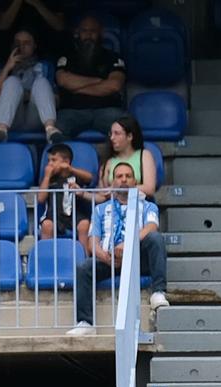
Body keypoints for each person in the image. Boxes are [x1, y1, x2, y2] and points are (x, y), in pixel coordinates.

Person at [71, 159, 169, 335]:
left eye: (128, 176)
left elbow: (151, 227)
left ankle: (158, 292)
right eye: (119, 176)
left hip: (137, 259)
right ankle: (85, 322)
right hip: (109, 260)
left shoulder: (148, 206)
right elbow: (93, 240)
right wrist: (104, 256)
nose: (123, 179)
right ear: (112, 182)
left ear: (134, 181)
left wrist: (128, 245)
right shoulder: (100, 209)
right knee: (83, 267)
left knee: (155, 238)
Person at [52, 13, 127, 141]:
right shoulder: (67, 57)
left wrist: (75, 87)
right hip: (72, 111)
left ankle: (119, 162)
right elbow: (63, 81)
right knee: (56, 130)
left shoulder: (113, 57)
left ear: (101, 33)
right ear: (77, 32)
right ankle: (63, 161)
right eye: (84, 31)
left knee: (125, 130)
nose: (88, 35)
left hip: (106, 110)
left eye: (93, 31)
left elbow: (114, 86)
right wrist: (98, 81)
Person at [0, 26, 58, 141]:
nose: (21, 47)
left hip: (35, 117)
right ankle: (1, 130)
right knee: (12, 81)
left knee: (41, 82)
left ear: (34, 46)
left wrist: (25, 95)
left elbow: (56, 100)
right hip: (9, 119)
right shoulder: (2, 67)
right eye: (17, 43)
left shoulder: (45, 66)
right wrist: (7, 68)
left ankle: (50, 129)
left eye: (26, 43)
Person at [36, 140, 92, 245]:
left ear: (66, 162)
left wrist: (71, 169)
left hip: (74, 214)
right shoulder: (49, 179)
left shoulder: (75, 175)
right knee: (47, 225)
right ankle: (46, 256)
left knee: (84, 224)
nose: (50, 164)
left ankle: (84, 257)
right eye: (48, 161)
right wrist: (47, 176)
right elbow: (41, 199)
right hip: (54, 215)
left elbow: (89, 177)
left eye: (53, 160)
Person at [98, 114, 159, 198]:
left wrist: (118, 189)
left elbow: (149, 189)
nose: (112, 137)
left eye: (117, 133)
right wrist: (82, 193)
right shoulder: (108, 161)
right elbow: (102, 195)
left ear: (129, 136)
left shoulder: (144, 155)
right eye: (111, 134)